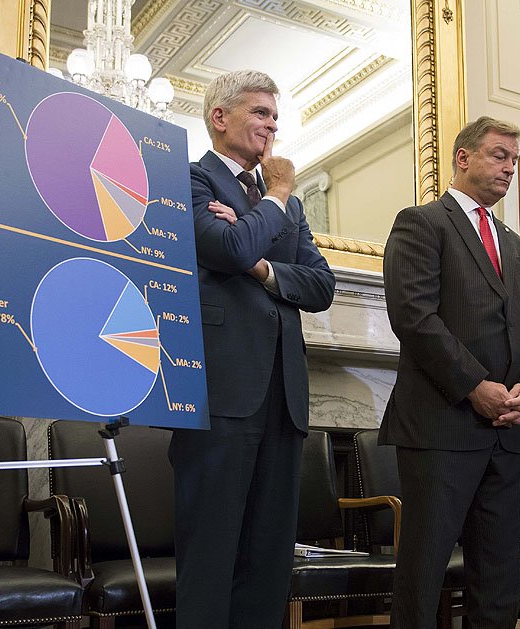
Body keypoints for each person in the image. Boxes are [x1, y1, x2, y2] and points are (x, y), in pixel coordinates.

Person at [169, 69, 335, 629]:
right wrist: (279, 195)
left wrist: (261, 266)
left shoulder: (282, 206)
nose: (272, 126)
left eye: (275, 116)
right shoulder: (188, 179)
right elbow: (227, 247)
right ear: (220, 117)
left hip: (284, 395)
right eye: (261, 112)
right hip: (221, 391)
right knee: (211, 552)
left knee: (268, 557)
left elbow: (321, 285)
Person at [380, 116, 520, 629]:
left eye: (514, 160)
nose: (509, 168)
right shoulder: (422, 222)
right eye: (499, 155)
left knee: (499, 574)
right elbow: (414, 317)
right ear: (463, 157)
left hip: (507, 430)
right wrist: (475, 386)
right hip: (441, 425)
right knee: (424, 570)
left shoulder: (516, 246)